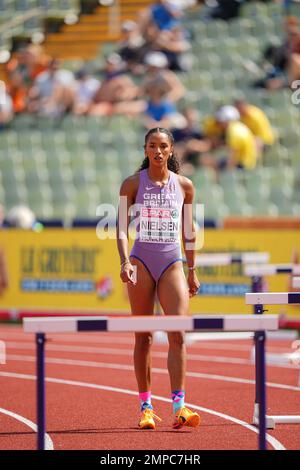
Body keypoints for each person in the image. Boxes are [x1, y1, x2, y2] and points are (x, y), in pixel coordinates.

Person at [117, 127, 201, 430]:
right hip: (140, 260)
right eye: (152, 146)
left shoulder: (185, 186)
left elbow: (189, 232)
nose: (157, 151)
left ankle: (179, 406)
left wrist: (192, 269)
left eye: (163, 146)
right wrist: (125, 261)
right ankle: (146, 407)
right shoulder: (131, 184)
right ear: (145, 149)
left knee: (177, 332)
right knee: (144, 336)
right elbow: (120, 228)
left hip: (172, 262)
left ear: (171, 150)